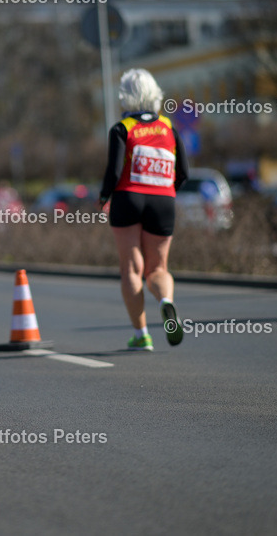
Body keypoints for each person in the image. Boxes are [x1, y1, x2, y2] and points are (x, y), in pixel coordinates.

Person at [99, 69, 188, 350]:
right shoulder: (169, 127)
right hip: (163, 199)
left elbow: (113, 172)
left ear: (126, 95)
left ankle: (141, 335)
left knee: (131, 269)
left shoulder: (122, 128)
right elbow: (183, 171)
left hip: (128, 198)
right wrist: (164, 192)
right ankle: (166, 302)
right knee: (158, 267)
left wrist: (103, 198)